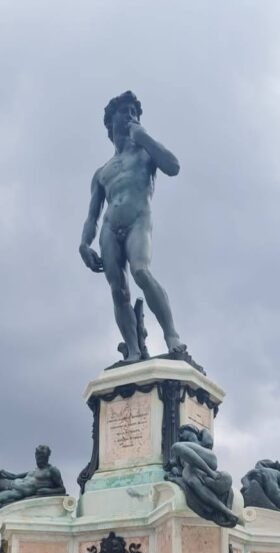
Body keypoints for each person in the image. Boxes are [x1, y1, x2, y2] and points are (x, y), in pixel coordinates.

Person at [79, 91, 187, 363]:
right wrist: (83, 243)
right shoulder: (102, 171)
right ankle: (134, 352)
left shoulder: (145, 152)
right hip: (109, 228)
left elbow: (173, 167)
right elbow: (92, 215)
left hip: (138, 218)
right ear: (110, 123)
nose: (131, 118)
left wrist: (144, 137)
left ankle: (172, 336)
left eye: (134, 114)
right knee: (119, 290)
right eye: (125, 114)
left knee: (140, 271)